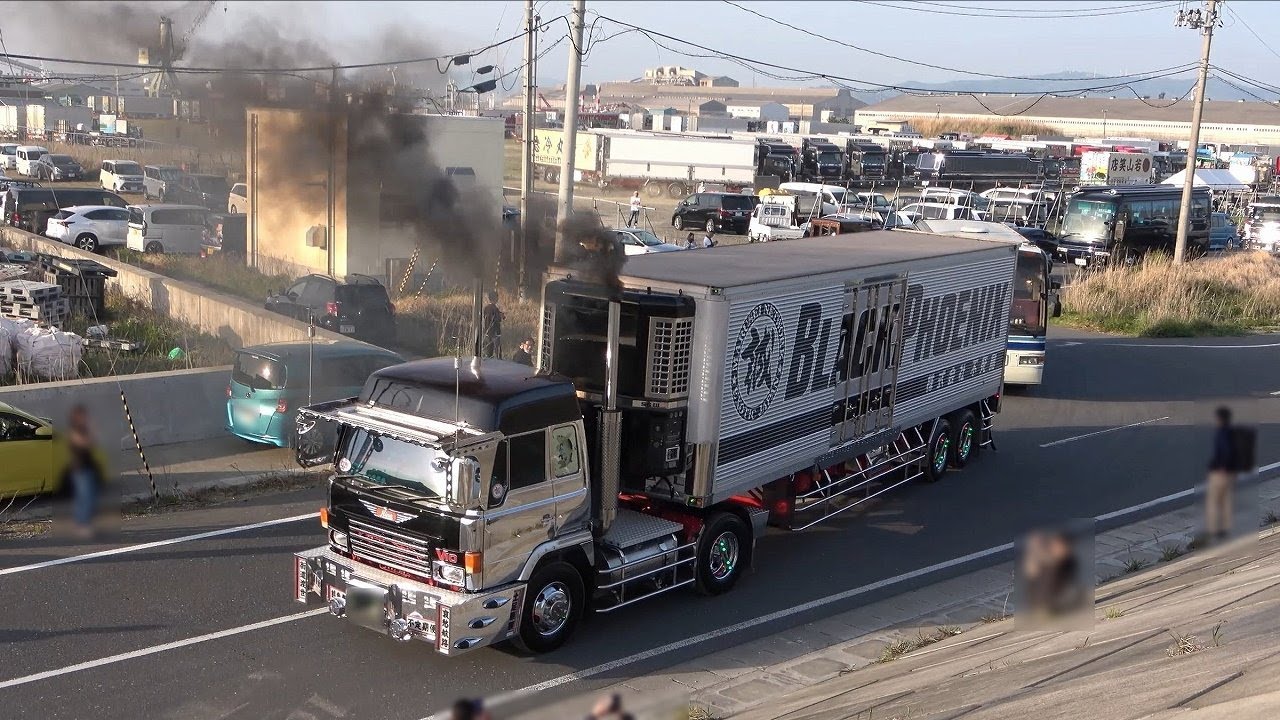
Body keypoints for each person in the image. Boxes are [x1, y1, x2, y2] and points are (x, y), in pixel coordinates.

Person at [66, 405, 102, 536]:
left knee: (89, 496)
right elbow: (86, 443)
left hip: (88, 467)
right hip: (80, 469)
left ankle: (83, 524)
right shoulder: (74, 431)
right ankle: (82, 525)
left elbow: (94, 442)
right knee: (85, 498)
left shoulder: (83, 429)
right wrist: (92, 430)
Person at [1207, 406, 1238, 541]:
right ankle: (1225, 528)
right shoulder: (1230, 432)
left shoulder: (1223, 433)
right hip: (1230, 470)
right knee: (1225, 500)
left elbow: (1226, 451)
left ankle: (1217, 530)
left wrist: (1222, 468)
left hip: (1222, 471)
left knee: (1215, 500)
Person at [481, 291, 503, 358]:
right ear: (495, 298)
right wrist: (500, 316)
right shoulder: (494, 308)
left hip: (487, 332)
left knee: (488, 351)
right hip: (494, 332)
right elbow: (496, 319)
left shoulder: (486, 308)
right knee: (497, 351)